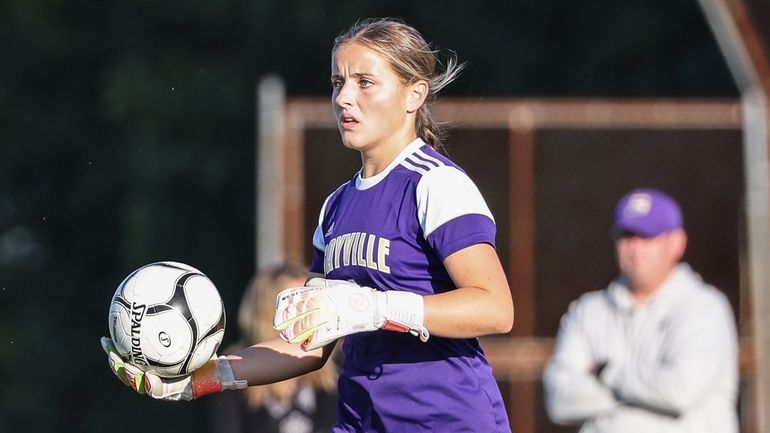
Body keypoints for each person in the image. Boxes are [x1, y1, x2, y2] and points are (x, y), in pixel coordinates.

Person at [102, 17, 514, 433]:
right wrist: (200, 380)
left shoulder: (435, 183)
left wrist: (376, 308)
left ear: (414, 94)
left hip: (449, 422)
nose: (344, 98)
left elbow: (495, 309)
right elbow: (307, 343)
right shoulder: (337, 206)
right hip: (360, 422)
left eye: (365, 82)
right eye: (338, 82)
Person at [542, 188, 739, 433]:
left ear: (676, 242)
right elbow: (559, 401)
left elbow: (679, 391)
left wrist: (606, 373)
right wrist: (646, 392)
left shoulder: (704, 307)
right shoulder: (586, 311)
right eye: (627, 236)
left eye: (647, 236)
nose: (635, 248)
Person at [207, 262, 338, 433]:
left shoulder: (334, 373)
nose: (309, 317)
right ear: (268, 315)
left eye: (312, 305)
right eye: (299, 307)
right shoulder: (231, 378)